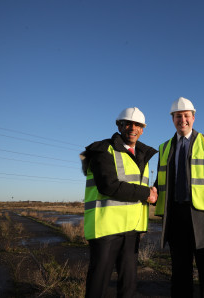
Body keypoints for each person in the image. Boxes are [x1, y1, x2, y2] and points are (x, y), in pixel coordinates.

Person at [154, 97, 204, 298]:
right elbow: (160, 181)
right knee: (179, 270)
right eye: (178, 116)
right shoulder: (164, 147)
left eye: (186, 116)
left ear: (193, 118)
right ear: (173, 119)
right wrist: (151, 192)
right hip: (175, 215)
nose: (182, 120)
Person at [80, 107, 158, 298]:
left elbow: (144, 191)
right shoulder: (102, 149)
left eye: (138, 125)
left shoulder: (143, 156)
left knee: (128, 286)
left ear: (143, 129)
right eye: (128, 124)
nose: (133, 128)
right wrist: (146, 193)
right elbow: (108, 185)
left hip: (132, 230)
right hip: (106, 230)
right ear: (119, 125)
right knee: (98, 284)